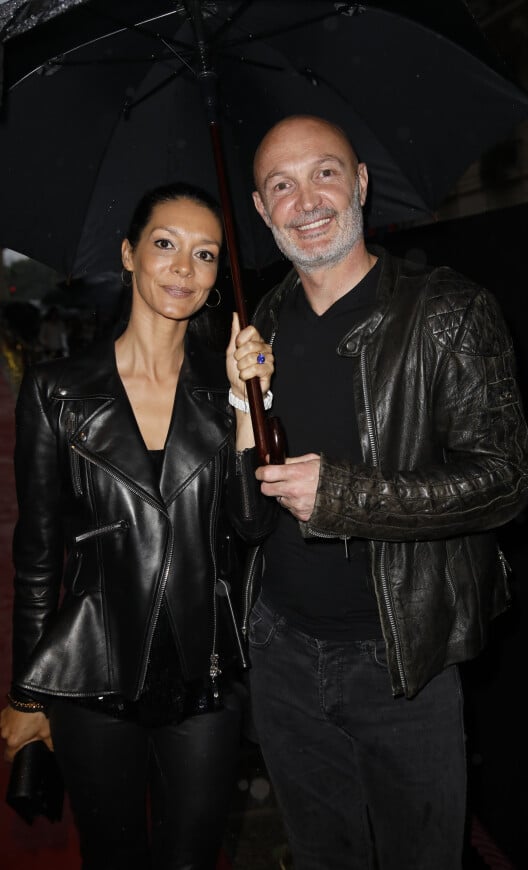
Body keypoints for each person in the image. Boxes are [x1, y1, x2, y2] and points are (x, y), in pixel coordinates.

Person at [243, 115, 528, 870]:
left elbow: (506, 481)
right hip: (278, 650)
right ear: (259, 209)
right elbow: (249, 496)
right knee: (320, 855)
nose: (305, 200)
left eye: (325, 173)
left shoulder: (449, 312)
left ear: (362, 183)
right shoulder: (260, 321)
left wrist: (346, 497)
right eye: (281, 185)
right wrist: (240, 415)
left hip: (400, 657)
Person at [0, 182, 276, 869]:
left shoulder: (228, 386)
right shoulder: (56, 389)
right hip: (93, 667)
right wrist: (27, 694)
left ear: (218, 278)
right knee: (113, 854)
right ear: (128, 255)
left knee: (192, 856)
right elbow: (38, 555)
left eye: (205, 253)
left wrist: (250, 407)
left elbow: (251, 523)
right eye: (165, 244)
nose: (184, 267)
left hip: (205, 670)